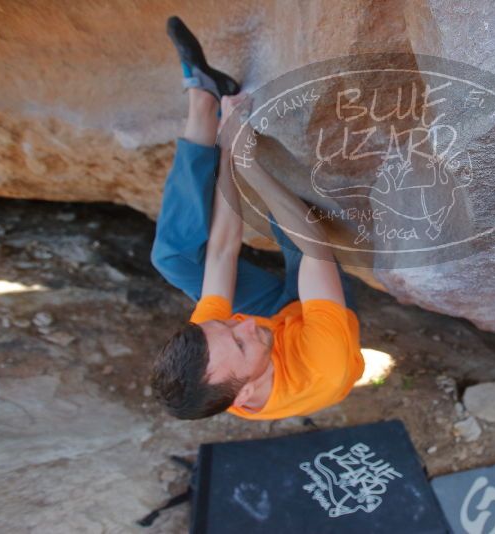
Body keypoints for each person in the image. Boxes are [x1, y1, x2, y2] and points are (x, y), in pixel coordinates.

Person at [149, 17, 363, 420]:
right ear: (244, 396)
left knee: (174, 260)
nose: (242, 324)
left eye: (227, 325)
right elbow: (312, 246)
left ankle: (204, 101)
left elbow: (221, 254)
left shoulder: (214, 351)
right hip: (313, 312)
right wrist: (251, 166)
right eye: (241, 343)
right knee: (288, 212)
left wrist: (230, 147)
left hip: (279, 323)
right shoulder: (323, 365)